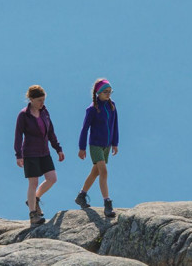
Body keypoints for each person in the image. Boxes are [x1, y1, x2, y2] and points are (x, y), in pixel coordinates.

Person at [14, 85, 65, 225]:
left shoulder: (44, 112)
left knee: (52, 178)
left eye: (43, 100)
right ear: (31, 99)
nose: (42, 103)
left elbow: (51, 132)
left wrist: (58, 149)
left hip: (44, 152)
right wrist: (18, 155)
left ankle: (35, 199)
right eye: (39, 100)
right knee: (33, 182)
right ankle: (33, 214)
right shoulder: (23, 115)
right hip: (30, 153)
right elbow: (18, 136)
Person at [75, 78, 118, 218]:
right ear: (98, 93)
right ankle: (107, 203)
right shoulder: (92, 109)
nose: (108, 94)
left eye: (110, 92)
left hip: (107, 145)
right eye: (105, 92)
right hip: (95, 145)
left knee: (95, 172)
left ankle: (81, 195)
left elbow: (115, 126)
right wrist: (82, 147)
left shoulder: (112, 106)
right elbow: (84, 129)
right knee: (103, 171)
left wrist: (115, 143)